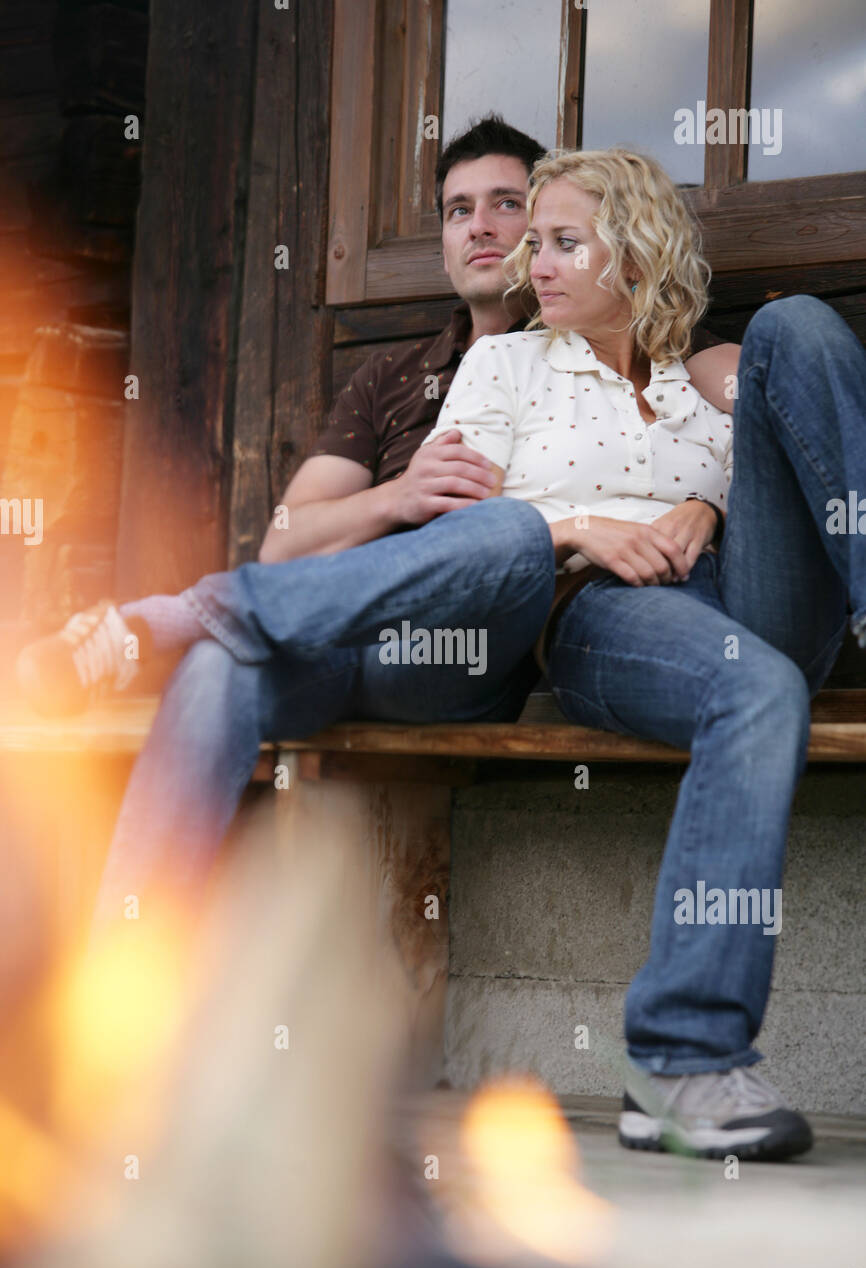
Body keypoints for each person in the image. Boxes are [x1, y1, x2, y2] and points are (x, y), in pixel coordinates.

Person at [16, 116, 737, 936]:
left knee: (507, 535)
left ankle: (169, 617)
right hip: (332, 626)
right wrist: (395, 499)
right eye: (460, 209)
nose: (488, 228)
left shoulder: (644, 362)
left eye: (512, 207)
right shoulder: (392, 375)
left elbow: (721, 424)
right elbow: (284, 539)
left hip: (452, 650)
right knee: (219, 667)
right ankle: (123, 965)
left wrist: (685, 509)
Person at [421, 145, 866, 1162]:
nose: (535, 261)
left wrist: (706, 501)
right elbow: (456, 529)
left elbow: (776, 462)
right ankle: (679, 1056)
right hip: (598, 607)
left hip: (744, 592)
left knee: (793, 324)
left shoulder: (697, 376)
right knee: (754, 692)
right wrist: (579, 525)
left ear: (637, 250)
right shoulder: (506, 364)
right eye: (532, 242)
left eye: (564, 241)